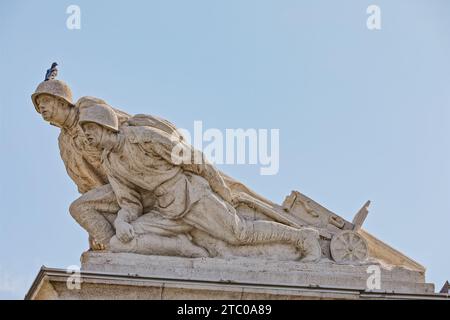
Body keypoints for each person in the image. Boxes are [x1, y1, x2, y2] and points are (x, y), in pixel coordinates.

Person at [78, 103, 323, 262]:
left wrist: (221, 191)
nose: (87, 134)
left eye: (90, 127)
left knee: (240, 234)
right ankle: (186, 248)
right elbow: (130, 203)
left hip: (193, 196)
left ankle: (302, 238)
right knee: (119, 243)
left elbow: (195, 160)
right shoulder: (110, 162)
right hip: (165, 211)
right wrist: (122, 222)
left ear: (106, 125)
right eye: (85, 129)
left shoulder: (142, 137)